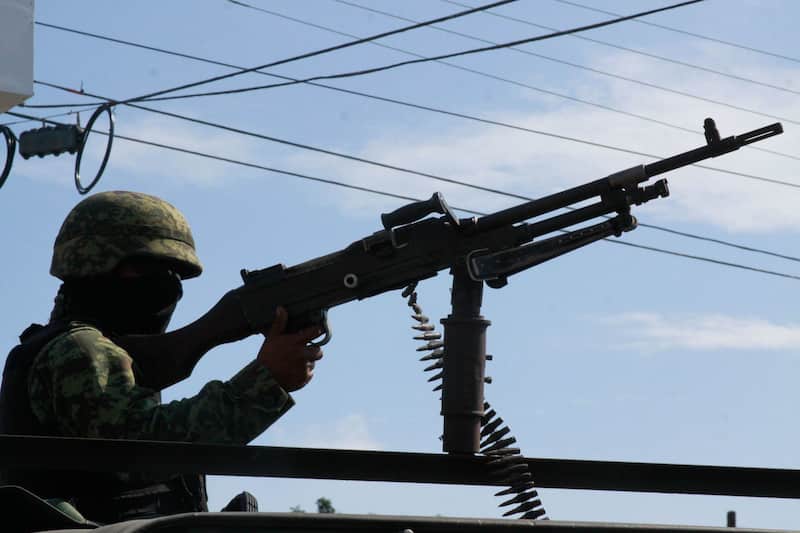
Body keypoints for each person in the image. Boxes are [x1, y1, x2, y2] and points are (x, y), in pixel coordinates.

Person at [0, 190, 323, 524]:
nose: (169, 286)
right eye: (147, 268)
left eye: (175, 275)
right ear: (96, 265)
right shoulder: (79, 349)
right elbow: (140, 452)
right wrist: (264, 382)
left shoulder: (86, 347)